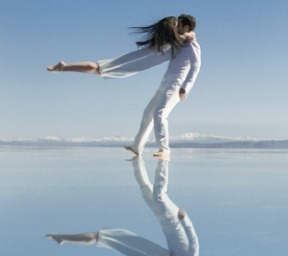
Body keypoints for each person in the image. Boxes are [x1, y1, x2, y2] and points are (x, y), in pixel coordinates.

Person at [47, 14, 202, 158]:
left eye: (179, 26)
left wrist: (185, 87)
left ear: (186, 27)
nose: (176, 29)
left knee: (159, 114)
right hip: (165, 83)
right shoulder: (177, 43)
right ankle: (137, 146)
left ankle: (165, 149)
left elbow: (196, 66)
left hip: (176, 86)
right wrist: (187, 35)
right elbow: (181, 38)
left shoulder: (191, 45)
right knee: (148, 113)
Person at [46, 158, 199, 256]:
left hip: (165, 223)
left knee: (146, 192)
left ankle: (136, 160)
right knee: (158, 195)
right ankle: (164, 158)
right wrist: (184, 220)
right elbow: (193, 242)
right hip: (175, 220)